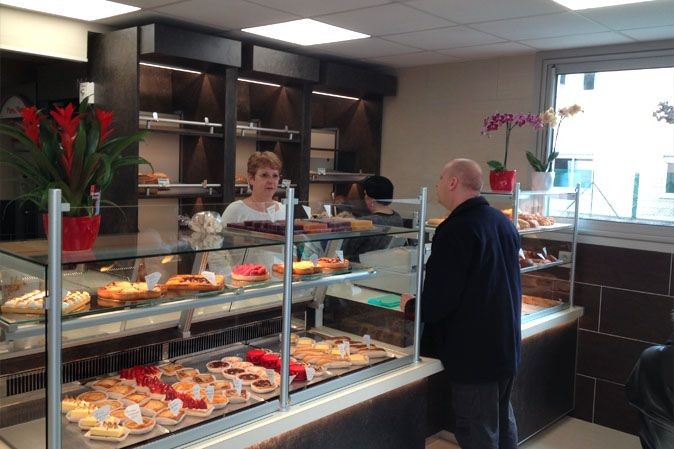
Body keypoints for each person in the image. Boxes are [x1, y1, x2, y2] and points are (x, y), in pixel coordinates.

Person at [403, 158, 522, 449]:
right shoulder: (500, 221)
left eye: (440, 179)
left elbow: (441, 299)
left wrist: (412, 307)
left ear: (453, 182)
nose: (438, 186)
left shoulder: (456, 229)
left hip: (474, 353)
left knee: (478, 431)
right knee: (502, 425)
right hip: (505, 344)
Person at [341, 175, 404, 261]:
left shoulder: (367, 222)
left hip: (358, 267)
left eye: (365, 194)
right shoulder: (397, 217)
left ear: (370, 199)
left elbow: (344, 251)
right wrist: (354, 221)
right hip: (385, 266)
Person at [222, 151, 285, 224]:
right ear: (251, 178)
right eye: (264, 175)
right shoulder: (235, 210)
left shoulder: (284, 210)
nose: (271, 181)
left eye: (275, 176)